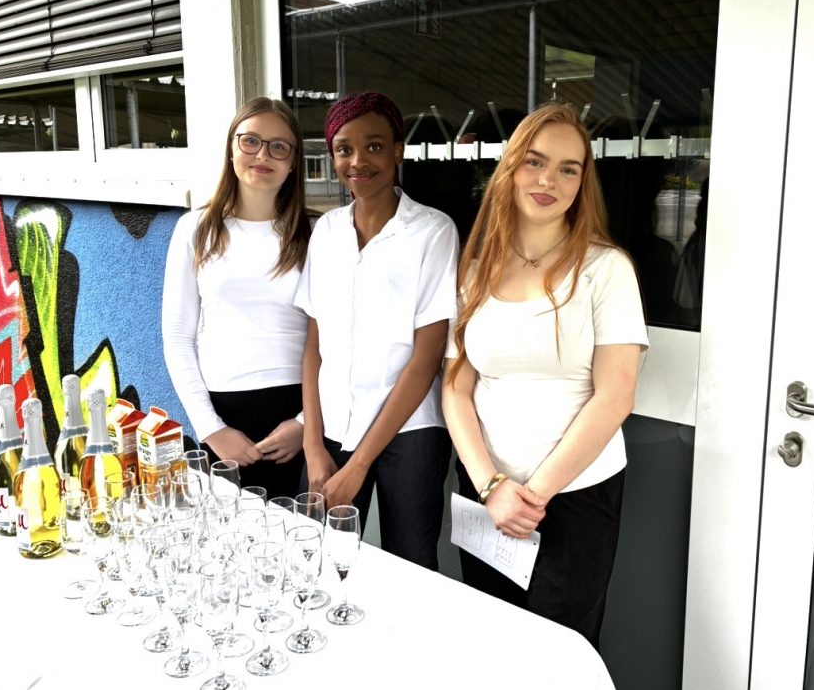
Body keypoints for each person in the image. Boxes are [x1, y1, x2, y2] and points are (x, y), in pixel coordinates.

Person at [443, 102, 648, 648]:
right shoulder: (475, 271)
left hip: (575, 495)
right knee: (493, 644)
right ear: (510, 168)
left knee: (559, 653)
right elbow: (456, 388)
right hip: (488, 492)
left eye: (567, 169)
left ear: (583, 182)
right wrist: (492, 487)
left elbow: (616, 395)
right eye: (534, 161)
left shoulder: (606, 269)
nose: (548, 180)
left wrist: (532, 496)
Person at [296, 91, 459, 571]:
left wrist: (360, 464)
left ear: (397, 150)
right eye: (344, 149)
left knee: (411, 567)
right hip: (331, 428)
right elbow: (314, 348)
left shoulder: (433, 232)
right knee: (319, 564)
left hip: (409, 433)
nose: (358, 161)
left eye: (373, 146)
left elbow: (425, 359)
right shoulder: (326, 232)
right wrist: (312, 445)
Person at [162, 97, 312, 499]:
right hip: (222, 415)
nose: (263, 155)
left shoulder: (314, 234)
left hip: (299, 415)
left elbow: (335, 342)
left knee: (297, 533)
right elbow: (177, 337)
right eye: (251, 141)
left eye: (279, 146)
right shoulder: (195, 229)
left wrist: (306, 423)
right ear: (231, 148)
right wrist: (210, 428)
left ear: (293, 161)